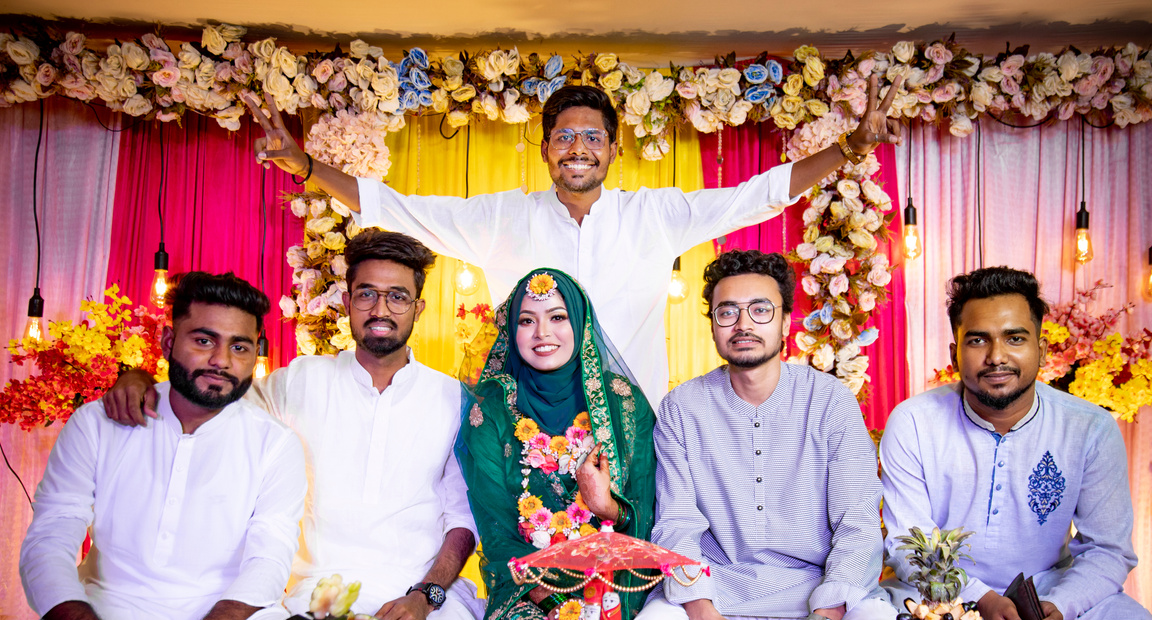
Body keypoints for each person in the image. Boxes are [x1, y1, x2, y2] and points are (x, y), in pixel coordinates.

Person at [242, 77, 904, 406]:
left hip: (635, 425)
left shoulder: (657, 214)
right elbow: (399, 209)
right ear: (546, 149)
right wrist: (306, 167)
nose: (578, 148)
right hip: (533, 424)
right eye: (564, 136)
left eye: (592, 137)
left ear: (613, 149)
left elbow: (762, 192)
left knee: (632, 590)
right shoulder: (504, 217)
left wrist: (851, 148)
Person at [102, 232, 487, 620]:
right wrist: (143, 377)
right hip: (312, 595)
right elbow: (215, 407)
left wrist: (426, 596)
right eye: (367, 293)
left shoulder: (452, 399)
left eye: (398, 296)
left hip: (415, 596)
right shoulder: (299, 381)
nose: (380, 310)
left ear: (419, 308)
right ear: (347, 300)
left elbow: (460, 519)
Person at [1, 273, 306, 620]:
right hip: (104, 615)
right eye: (204, 340)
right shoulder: (97, 423)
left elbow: (268, 563)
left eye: (239, 347)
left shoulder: (274, 443)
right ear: (167, 342)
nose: (221, 360)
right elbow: (48, 541)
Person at [880, 266, 1151, 620]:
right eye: (979, 340)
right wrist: (978, 597)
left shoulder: (1088, 427)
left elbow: (1108, 549)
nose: (996, 356)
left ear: (1042, 348)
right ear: (955, 351)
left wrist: (1060, 606)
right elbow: (910, 543)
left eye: (1015, 338)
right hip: (939, 600)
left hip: (1048, 596)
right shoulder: (915, 422)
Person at [630, 250, 895, 620]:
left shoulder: (831, 403)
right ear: (712, 324)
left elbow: (859, 525)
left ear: (785, 321)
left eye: (760, 310)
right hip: (715, 597)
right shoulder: (682, 409)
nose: (743, 324)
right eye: (727, 312)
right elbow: (675, 526)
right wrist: (706, 617)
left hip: (816, 599)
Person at [455, 268, 656, 620]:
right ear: (512, 331)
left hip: (617, 582)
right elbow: (494, 530)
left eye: (558, 317)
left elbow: (650, 511)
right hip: (524, 592)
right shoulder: (491, 410)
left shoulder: (621, 403)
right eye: (527, 320)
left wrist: (607, 507)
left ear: (580, 324)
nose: (542, 332)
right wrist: (550, 602)